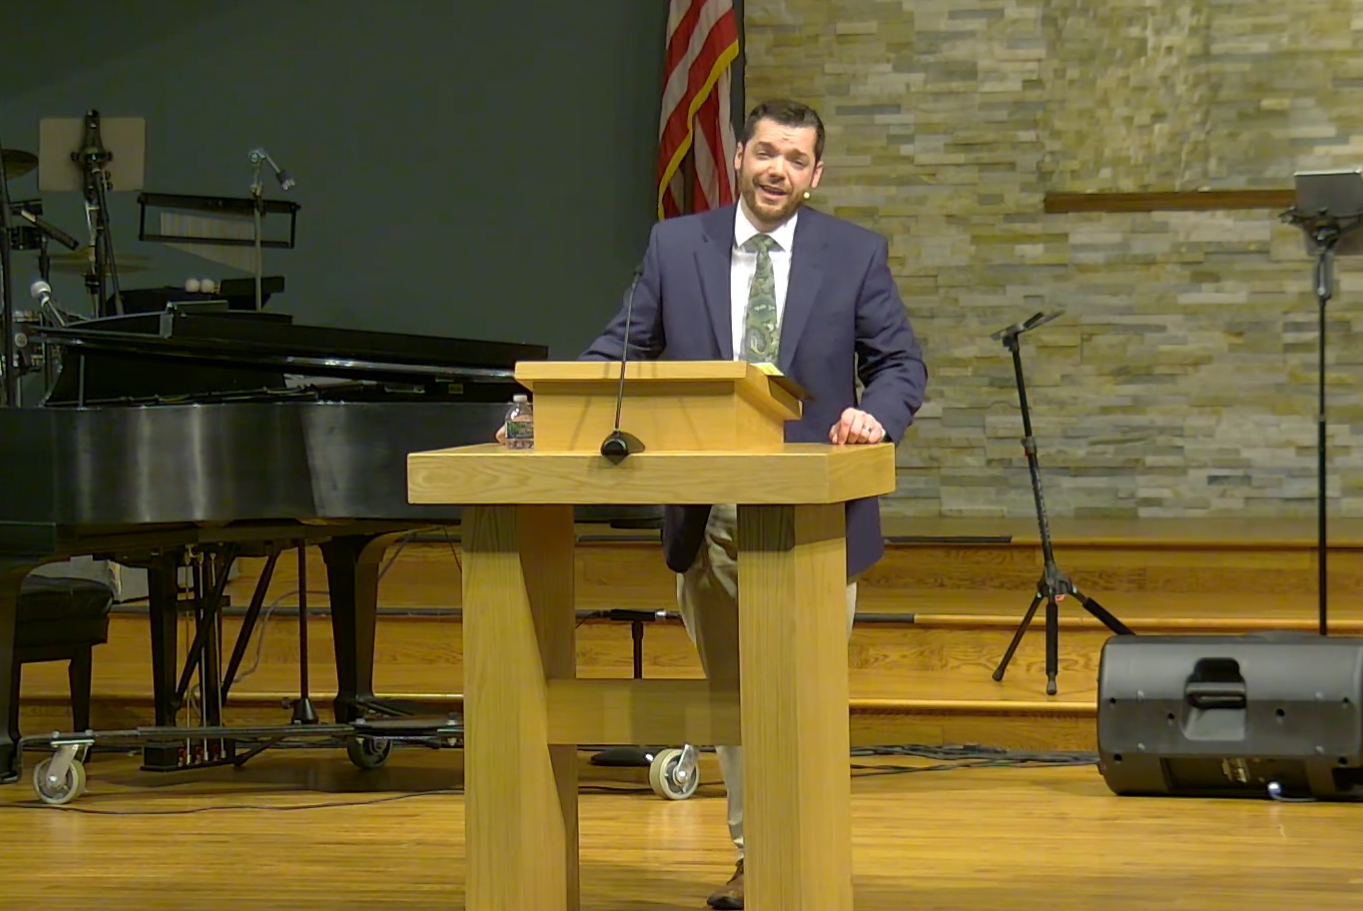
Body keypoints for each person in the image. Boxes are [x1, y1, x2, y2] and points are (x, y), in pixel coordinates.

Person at [508, 99, 928, 909]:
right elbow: (619, 351)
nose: (777, 170)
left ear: (815, 174)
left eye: (795, 159)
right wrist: (543, 412)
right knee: (735, 697)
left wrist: (874, 414)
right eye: (765, 152)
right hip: (710, 517)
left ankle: (802, 859)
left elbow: (900, 364)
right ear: (739, 157)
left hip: (811, 519)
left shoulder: (853, 253)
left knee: (797, 697)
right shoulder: (676, 246)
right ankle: (757, 859)